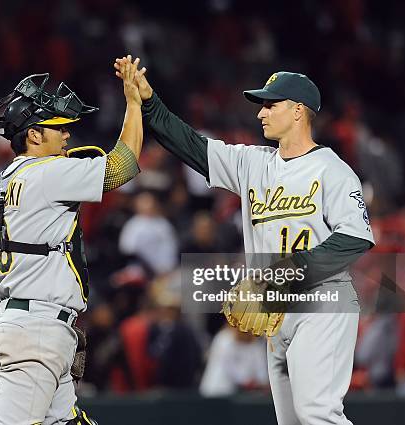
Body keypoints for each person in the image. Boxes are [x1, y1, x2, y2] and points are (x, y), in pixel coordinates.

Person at [115, 61, 374, 425]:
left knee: (318, 413)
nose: (261, 113)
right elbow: (192, 146)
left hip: (322, 302)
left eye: (271, 105)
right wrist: (150, 102)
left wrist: (288, 273)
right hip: (273, 309)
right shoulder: (252, 163)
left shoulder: (332, 170)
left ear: (299, 111)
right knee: (292, 421)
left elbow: (355, 238)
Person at [0, 57, 143, 425]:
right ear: (34, 135)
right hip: (37, 330)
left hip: (26, 323)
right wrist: (133, 103)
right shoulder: (48, 172)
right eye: (57, 128)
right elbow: (122, 166)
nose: (67, 135)